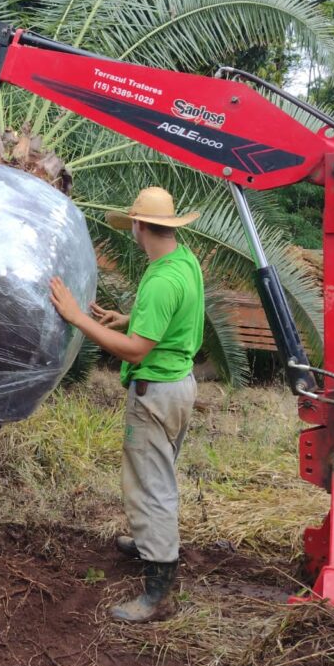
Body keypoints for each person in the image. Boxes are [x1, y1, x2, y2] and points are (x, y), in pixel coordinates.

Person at [50, 186, 203, 623]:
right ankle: (148, 541)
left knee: (150, 485)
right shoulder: (182, 261)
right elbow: (169, 322)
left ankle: (158, 592)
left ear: (137, 226)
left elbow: (136, 351)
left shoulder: (160, 280)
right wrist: (126, 319)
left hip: (154, 393)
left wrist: (78, 318)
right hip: (179, 384)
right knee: (159, 472)